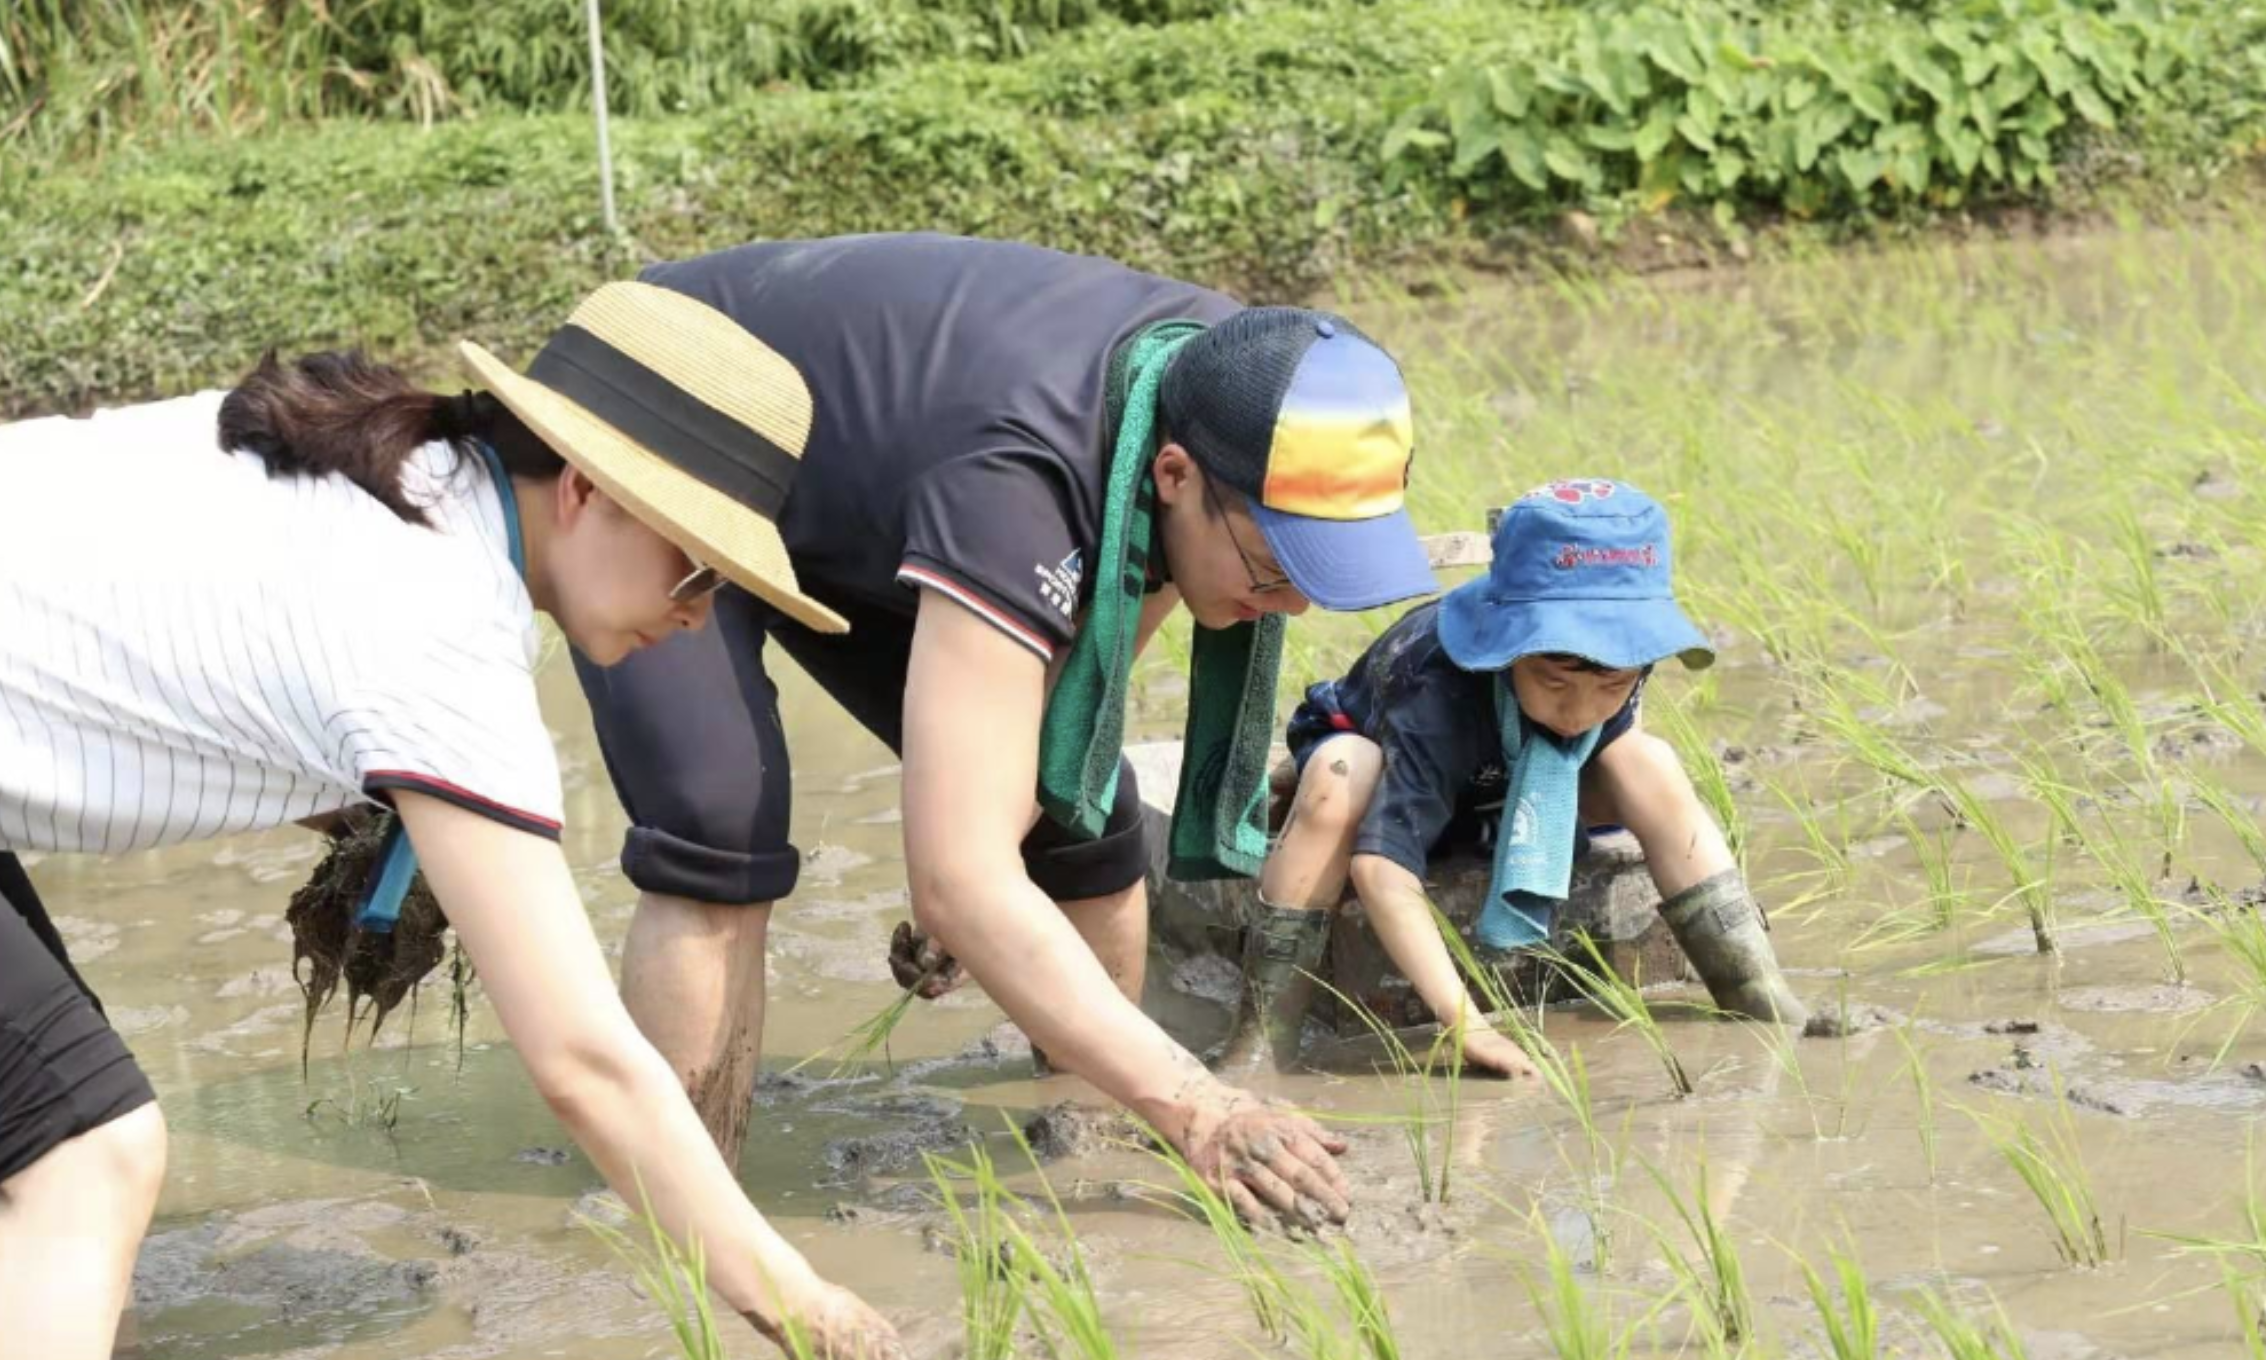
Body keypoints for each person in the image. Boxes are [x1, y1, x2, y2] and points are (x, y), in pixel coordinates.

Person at [0, 283, 903, 1359]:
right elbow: (587, 1062)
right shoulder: (440, 628)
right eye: (700, 566)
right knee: (86, 1158)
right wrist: (815, 1311)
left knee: (46, 1166)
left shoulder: (397, 477)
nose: (701, 612)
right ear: (585, 489)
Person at [570, 232, 1441, 1228]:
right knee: (718, 819)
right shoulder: (1022, 482)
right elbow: (962, 873)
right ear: (1173, 476)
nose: (1286, 607)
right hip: (669, 412)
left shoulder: (1237, 381)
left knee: (1083, 812)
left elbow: (1076, 693)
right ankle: (679, 1213)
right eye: (1275, 569)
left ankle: (1088, 1149)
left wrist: (980, 865)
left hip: (868, 471)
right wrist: (1200, 1100)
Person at [1221, 478, 1809, 1075]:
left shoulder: (1625, 667)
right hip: (1396, 780)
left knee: (1648, 760)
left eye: (1611, 686)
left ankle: (1757, 993)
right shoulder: (1436, 689)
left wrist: (1598, 707)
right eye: (1554, 682)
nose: (1579, 711)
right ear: (1505, 649)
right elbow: (1380, 870)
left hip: (1506, 786)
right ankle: (1263, 1042)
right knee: (1341, 774)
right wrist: (1468, 1028)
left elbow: (1611, 730)